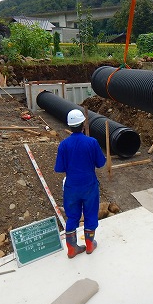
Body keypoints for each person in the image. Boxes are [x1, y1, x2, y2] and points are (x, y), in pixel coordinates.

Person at [54, 109, 106, 258]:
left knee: (72, 217)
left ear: (69, 126)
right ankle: (90, 245)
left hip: (71, 188)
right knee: (90, 214)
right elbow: (100, 163)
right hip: (89, 186)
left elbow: (59, 168)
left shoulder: (63, 145)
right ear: (83, 124)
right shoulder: (92, 142)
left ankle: (72, 249)